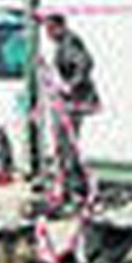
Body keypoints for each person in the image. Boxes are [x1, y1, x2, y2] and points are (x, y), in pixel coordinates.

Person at [43, 12, 99, 205]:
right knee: (62, 145)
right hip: (67, 101)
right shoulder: (62, 44)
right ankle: (69, 187)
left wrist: (71, 86)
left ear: (59, 26)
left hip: (74, 102)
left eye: (50, 29)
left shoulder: (70, 42)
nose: (47, 33)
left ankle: (77, 189)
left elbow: (86, 63)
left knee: (67, 145)